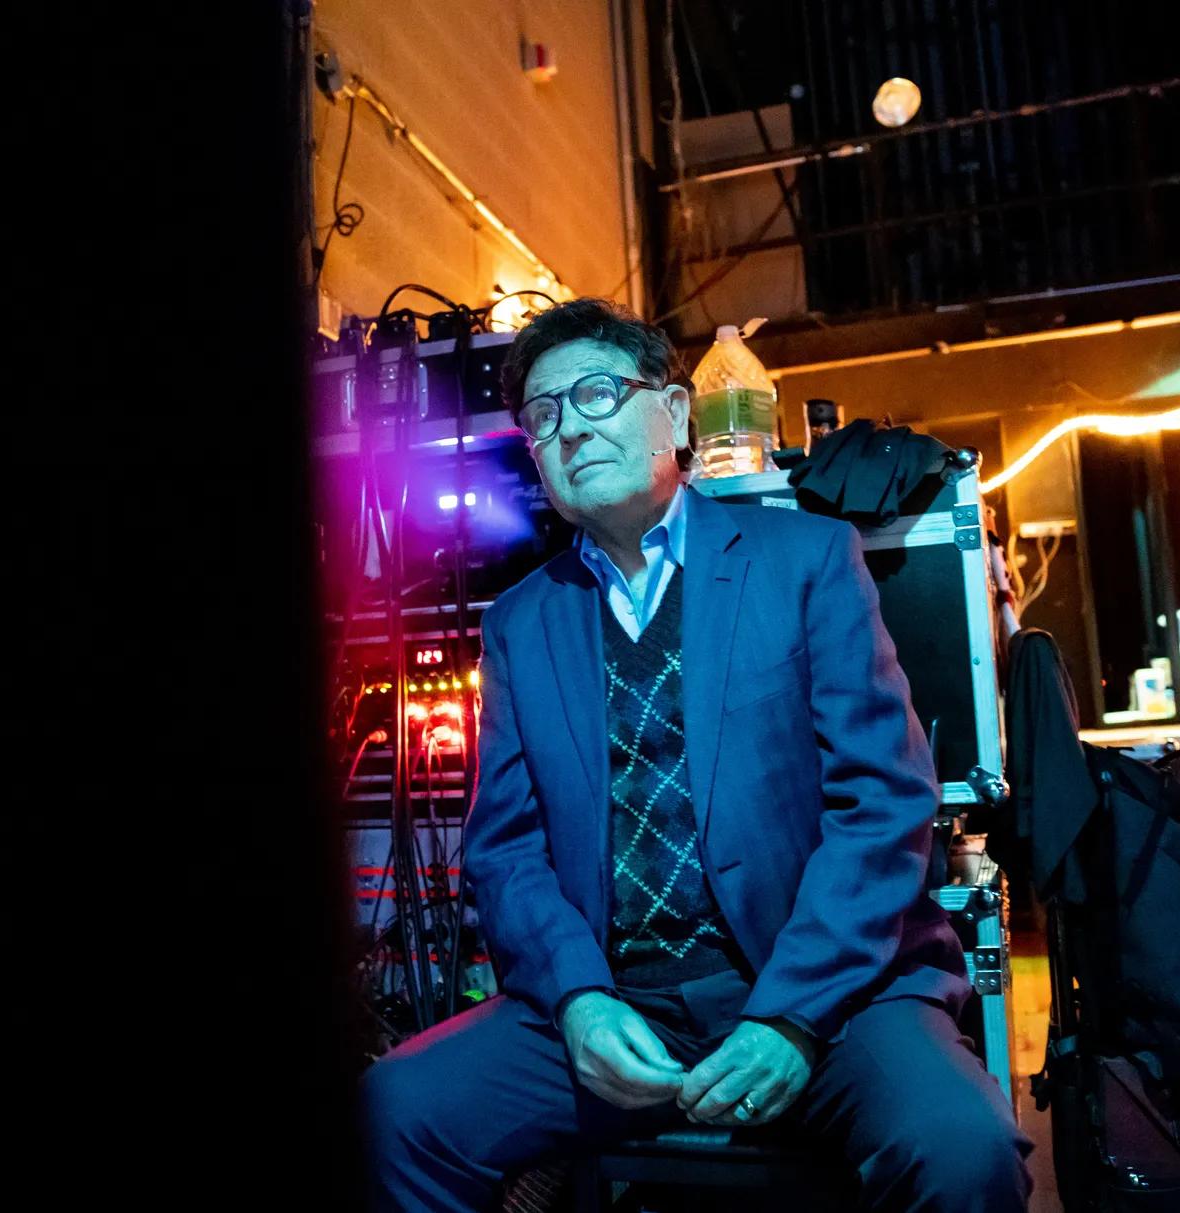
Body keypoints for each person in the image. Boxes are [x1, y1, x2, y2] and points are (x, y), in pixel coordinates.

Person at [362, 299, 1032, 1211]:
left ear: (676, 415)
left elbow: (882, 805)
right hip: (621, 1002)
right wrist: (578, 1000)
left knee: (962, 1146)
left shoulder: (806, 560)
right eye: (544, 415)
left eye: (597, 392)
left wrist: (790, 1014)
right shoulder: (523, 621)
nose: (570, 427)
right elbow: (505, 850)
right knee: (394, 1110)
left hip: (830, 992)